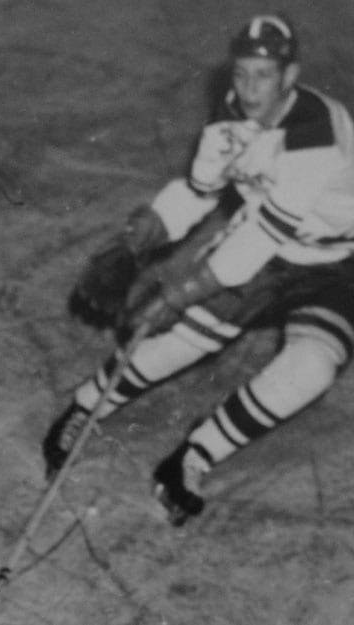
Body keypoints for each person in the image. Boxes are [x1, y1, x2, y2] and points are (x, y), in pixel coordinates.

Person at [44, 13, 354, 526]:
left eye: (264, 75)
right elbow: (197, 191)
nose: (249, 89)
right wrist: (136, 240)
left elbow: (257, 239)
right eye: (241, 73)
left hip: (336, 259)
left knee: (312, 368)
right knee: (177, 340)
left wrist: (177, 294)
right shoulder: (232, 113)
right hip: (272, 251)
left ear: (291, 76)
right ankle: (86, 405)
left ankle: (191, 456)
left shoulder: (315, 135)